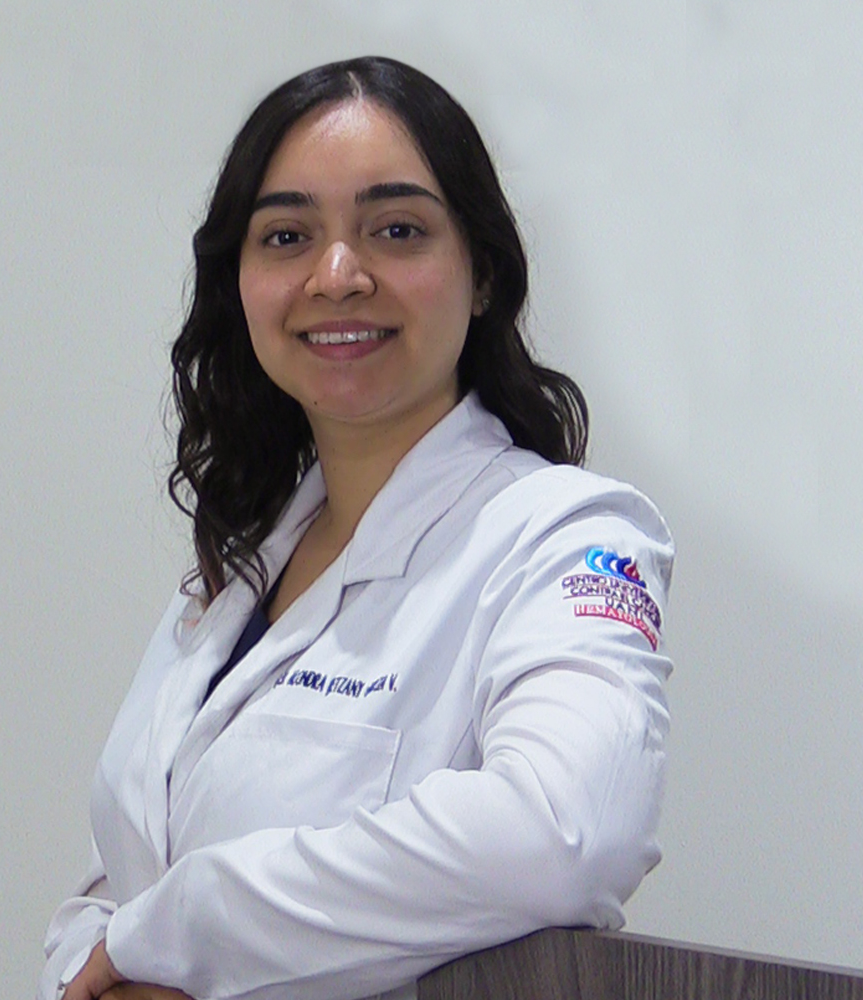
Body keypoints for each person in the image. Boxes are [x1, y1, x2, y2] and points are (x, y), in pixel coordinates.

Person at [41, 56, 674, 1000]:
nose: (336, 276)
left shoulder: (567, 536)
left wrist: (182, 930)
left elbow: (566, 831)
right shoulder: (232, 576)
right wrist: (91, 963)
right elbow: (114, 884)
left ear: (483, 274)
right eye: (287, 236)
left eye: (397, 230)